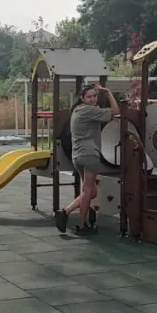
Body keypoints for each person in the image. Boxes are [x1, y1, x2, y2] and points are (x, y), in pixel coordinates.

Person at [55, 84, 119, 234]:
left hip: (77, 155)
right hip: (89, 155)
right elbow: (116, 111)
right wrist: (109, 93)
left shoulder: (77, 110)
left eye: (94, 96)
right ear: (82, 98)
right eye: (89, 97)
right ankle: (81, 225)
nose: (92, 99)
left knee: (91, 192)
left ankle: (65, 212)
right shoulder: (89, 110)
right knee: (88, 191)